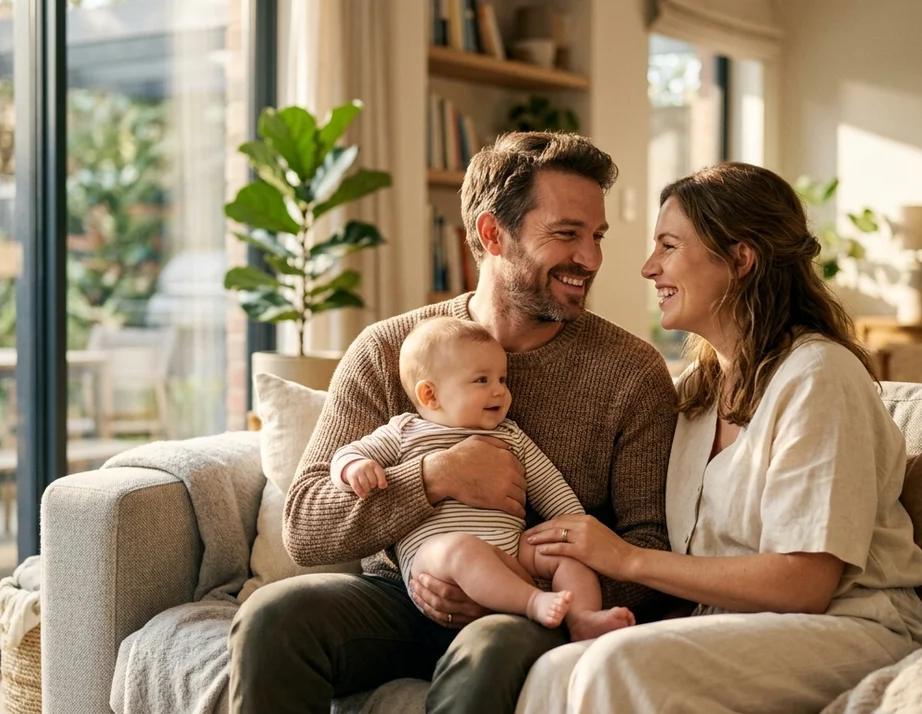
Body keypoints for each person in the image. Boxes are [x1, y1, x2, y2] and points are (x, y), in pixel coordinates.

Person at [227, 132, 677, 714]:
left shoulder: (631, 371)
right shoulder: (388, 349)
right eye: (566, 234)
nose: (590, 259)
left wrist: (518, 591)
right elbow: (307, 524)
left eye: (596, 237)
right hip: (400, 596)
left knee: (490, 646)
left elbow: (651, 548)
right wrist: (435, 477)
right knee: (273, 618)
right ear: (492, 235)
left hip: (533, 604)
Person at [516, 161, 922, 714]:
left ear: (740, 259)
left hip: (852, 628)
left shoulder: (819, 378)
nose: (648, 268)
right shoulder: (698, 393)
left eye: (668, 246)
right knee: (553, 668)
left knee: (613, 664)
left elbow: (805, 584)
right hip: (734, 631)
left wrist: (626, 559)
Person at [331, 316, 636, 639]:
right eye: (482, 380)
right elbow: (345, 455)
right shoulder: (405, 432)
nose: (499, 391)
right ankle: (533, 603)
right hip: (436, 562)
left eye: (502, 380)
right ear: (430, 395)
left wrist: (575, 529)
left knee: (566, 556)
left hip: (509, 553)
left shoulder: (510, 434)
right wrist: (354, 468)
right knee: (461, 548)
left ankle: (582, 619)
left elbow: (550, 487)